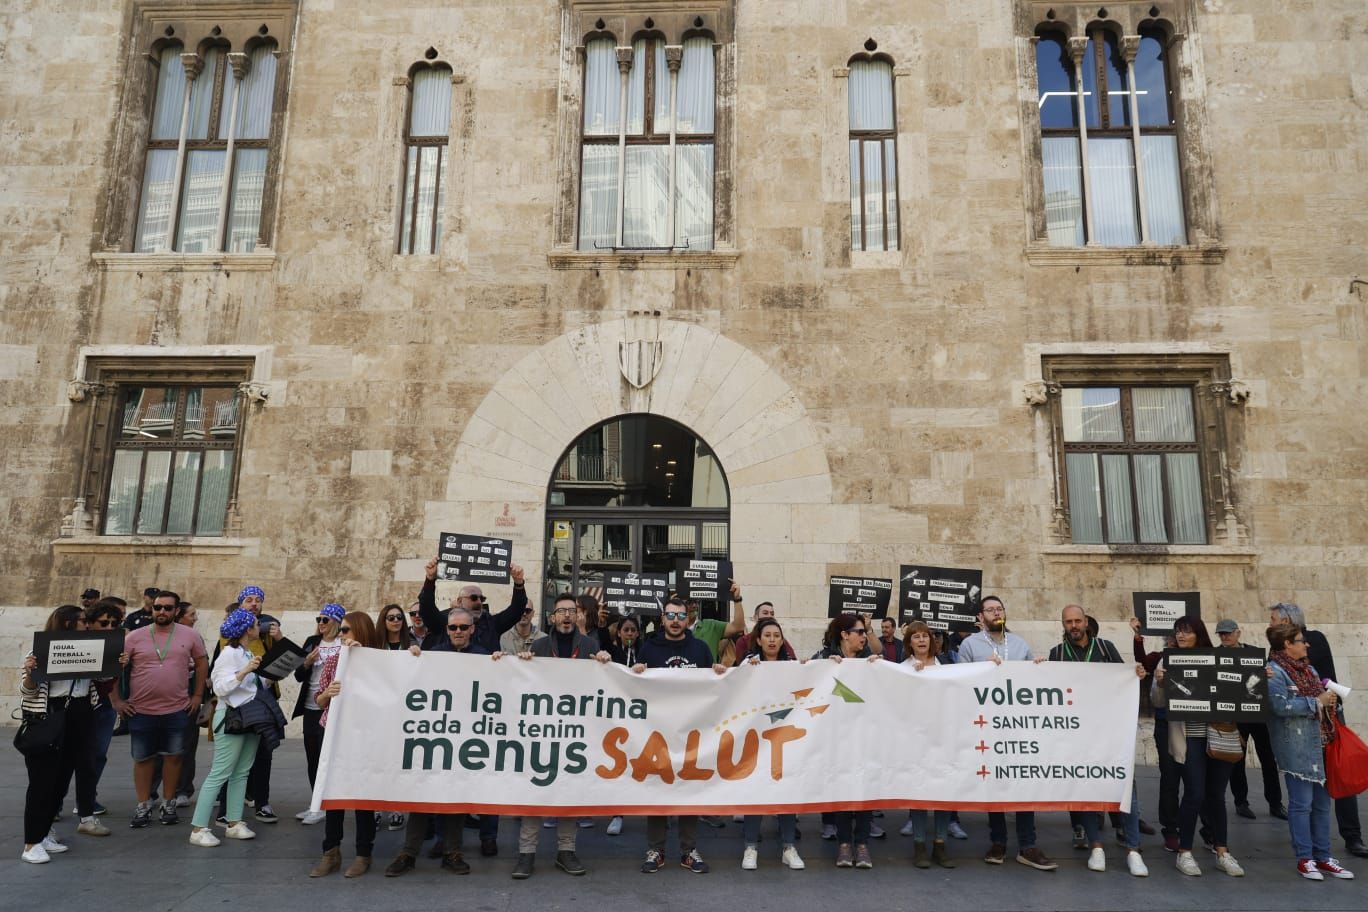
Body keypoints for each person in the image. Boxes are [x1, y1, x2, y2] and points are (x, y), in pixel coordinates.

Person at [504, 593, 611, 878]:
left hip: (575, 732)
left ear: (578, 616)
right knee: (535, 791)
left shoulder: (590, 646)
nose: (566, 616)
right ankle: (526, 854)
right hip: (542, 731)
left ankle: (566, 851)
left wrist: (604, 662)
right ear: (552, 617)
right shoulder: (538, 646)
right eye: (560, 611)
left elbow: (601, 683)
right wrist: (523, 662)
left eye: (571, 611)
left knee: (569, 791)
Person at [956, 595, 1057, 871]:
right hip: (988, 726)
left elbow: (1032, 684)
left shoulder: (1020, 644)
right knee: (995, 784)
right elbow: (959, 683)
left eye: (1000, 608)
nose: (996, 613)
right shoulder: (969, 645)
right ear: (981, 617)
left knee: (1023, 783)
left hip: (1018, 726)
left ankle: (1028, 845)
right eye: (990, 610)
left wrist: (1038, 668)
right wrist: (981, 669)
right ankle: (998, 841)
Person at [1047, 605, 1149, 876]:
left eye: (1077, 620)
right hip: (1078, 734)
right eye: (1068, 621)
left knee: (1126, 787)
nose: (1074, 625)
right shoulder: (1056, 654)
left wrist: (1136, 674)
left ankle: (1133, 849)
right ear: (1063, 624)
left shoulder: (1105, 648)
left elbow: (1125, 679)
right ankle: (1096, 846)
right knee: (1087, 788)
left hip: (1111, 732)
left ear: (1086, 622)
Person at [633, 597, 727, 874]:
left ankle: (689, 850)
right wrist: (636, 672)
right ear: (662, 619)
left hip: (690, 732)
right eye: (670, 616)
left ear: (688, 619)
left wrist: (718, 673)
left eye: (680, 616)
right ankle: (656, 849)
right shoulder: (648, 647)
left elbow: (713, 687)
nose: (675, 621)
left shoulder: (700, 649)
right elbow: (635, 688)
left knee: (688, 791)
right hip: (657, 732)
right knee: (658, 791)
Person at [1270, 602, 1366, 859]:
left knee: (1339, 777)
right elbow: (1280, 697)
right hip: (1304, 728)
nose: (1271, 624)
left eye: (1274, 620)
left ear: (1288, 623)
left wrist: (1323, 699)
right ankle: (1309, 852)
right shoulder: (1278, 658)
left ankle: (1350, 836)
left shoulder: (1312, 641)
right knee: (1307, 799)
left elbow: (1313, 675)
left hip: (1326, 720)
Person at [1152, 615, 1245, 877]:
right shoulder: (1167, 660)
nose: (1181, 636)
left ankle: (1223, 851)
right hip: (1189, 736)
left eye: (1187, 631)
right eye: (1178, 632)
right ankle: (1185, 852)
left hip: (1219, 734)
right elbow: (1157, 702)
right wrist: (1160, 682)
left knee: (1216, 795)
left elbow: (1238, 691)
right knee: (1194, 793)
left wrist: (1260, 678)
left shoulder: (1218, 658)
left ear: (1199, 634)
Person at [311, 610, 397, 878]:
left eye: (346, 630)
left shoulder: (379, 662)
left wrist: (363, 663)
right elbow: (319, 700)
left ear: (360, 632)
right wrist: (328, 693)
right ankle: (331, 851)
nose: (341, 636)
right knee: (334, 796)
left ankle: (363, 854)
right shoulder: (335, 659)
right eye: (341, 631)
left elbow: (389, 696)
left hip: (365, 736)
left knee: (362, 796)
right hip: (336, 734)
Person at [114, 589, 207, 829]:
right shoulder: (134, 636)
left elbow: (201, 661)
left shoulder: (191, 635)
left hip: (177, 709)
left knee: (174, 758)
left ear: (176, 611)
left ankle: (169, 802)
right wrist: (117, 701)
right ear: (152, 609)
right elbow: (114, 665)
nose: (162, 612)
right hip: (141, 709)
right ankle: (143, 804)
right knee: (143, 759)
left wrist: (197, 695)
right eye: (158, 607)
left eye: (167, 608)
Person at [19, 606, 100, 863]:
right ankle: (31, 843)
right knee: (42, 782)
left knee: (60, 781)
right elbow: (27, 690)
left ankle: (43, 834)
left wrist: (115, 661)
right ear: (67, 624)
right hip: (49, 716)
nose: (88, 625)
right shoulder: (41, 651)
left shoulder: (90, 650)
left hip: (78, 715)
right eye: (83, 621)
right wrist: (31, 674)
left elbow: (101, 680)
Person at [188, 609, 266, 848]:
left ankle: (234, 822)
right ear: (246, 629)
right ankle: (199, 828)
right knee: (220, 772)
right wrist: (245, 671)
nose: (258, 626)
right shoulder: (229, 653)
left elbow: (250, 685)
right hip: (231, 716)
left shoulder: (245, 651)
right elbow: (220, 688)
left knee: (241, 771)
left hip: (248, 717)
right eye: (255, 624)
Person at [812, 613, 882, 868]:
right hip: (835, 737)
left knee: (863, 786)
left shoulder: (870, 661)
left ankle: (861, 845)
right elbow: (805, 679)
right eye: (860, 632)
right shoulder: (823, 658)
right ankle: (844, 844)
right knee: (841, 786)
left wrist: (877, 669)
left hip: (864, 736)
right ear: (844, 635)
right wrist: (822, 668)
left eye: (864, 633)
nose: (864, 637)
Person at [737, 617, 805, 871]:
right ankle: (750, 846)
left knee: (785, 791)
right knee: (755, 791)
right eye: (767, 635)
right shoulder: (748, 664)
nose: (773, 639)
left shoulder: (792, 667)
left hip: (784, 740)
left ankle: (788, 847)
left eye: (777, 635)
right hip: (756, 739)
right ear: (758, 639)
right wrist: (746, 668)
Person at [210, 585, 280, 825]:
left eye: (258, 600)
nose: (254, 603)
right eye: (249, 600)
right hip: (236, 705)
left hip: (263, 698)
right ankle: (224, 808)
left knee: (262, 755)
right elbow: (219, 672)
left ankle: (261, 802)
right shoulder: (229, 638)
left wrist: (278, 638)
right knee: (232, 761)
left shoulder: (269, 629)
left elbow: (279, 656)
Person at [1213, 618, 1286, 821]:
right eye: (1221, 633)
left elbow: (1263, 679)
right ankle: (1241, 802)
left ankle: (1275, 802)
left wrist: (1267, 674)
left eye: (1228, 633)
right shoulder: (1215, 655)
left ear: (1238, 633)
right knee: (1238, 760)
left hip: (1257, 713)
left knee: (1268, 760)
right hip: (1234, 715)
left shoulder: (1254, 651)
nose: (1225, 636)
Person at [900, 621, 955, 868]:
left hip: (945, 738)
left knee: (944, 791)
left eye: (925, 636)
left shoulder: (949, 668)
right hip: (917, 741)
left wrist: (992, 665)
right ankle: (920, 845)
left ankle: (940, 844)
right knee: (920, 791)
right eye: (916, 637)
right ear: (909, 643)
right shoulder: (902, 669)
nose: (921, 640)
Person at [291, 601, 346, 824]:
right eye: (319, 619)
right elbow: (297, 676)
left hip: (332, 707)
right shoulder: (312, 643)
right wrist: (306, 663)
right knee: (312, 755)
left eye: (325, 619)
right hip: (311, 706)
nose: (321, 623)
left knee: (327, 757)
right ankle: (316, 803)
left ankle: (326, 804)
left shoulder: (344, 644)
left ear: (336, 622)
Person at [732, 601, 796, 661]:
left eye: (772, 614)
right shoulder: (743, 641)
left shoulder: (780, 641)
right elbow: (741, 668)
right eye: (765, 613)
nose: (769, 616)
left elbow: (793, 663)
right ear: (755, 617)